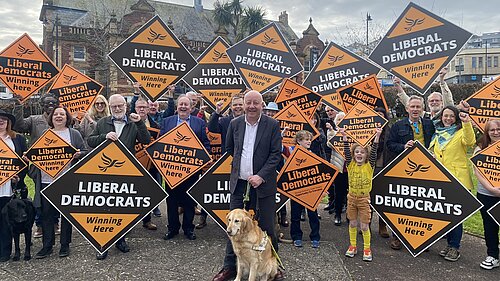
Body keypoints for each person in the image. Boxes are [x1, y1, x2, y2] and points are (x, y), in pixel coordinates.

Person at [212, 90, 283, 281]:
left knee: (268, 227)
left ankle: (274, 267)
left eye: (256, 103)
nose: (252, 106)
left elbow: (276, 154)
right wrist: (240, 167)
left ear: (262, 105)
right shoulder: (235, 124)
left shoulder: (272, 125)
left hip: (263, 185)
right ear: (243, 104)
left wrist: (260, 175)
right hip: (240, 185)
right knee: (232, 228)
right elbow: (229, 149)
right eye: (248, 103)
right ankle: (229, 268)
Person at [87, 94, 151, 260]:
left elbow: (146, 140)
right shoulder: (102, 123)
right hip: (105, 173)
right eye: (114, 106)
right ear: (110, 106)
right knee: (104, 209)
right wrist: (104, 137)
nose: (117, 109)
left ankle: (120, 240)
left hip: (126, 172)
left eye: (120, 106)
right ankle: (102, 244)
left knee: (121, 209)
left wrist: (140, 123)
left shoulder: (133, 123)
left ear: (126, 106)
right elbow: (90, 141)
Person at [30, 107, 86, 259]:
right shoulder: (44, 134)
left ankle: (64, 245)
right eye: (56, 114)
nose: (59, 116)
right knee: (46, 215)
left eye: (62, 114)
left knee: (66, 215)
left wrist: (79, 154)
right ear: (51, 118)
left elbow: (86, 152)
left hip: (66, 180)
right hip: (46, 180)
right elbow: (36, 152)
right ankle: (47, 245)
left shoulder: (74, 134)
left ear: (67, 117)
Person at [386, 95, 435, 250]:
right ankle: (397, 237)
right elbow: (389, 144)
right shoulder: (397, 125)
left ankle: (420, 238)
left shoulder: (429, 124)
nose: (415, 109)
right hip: (404, 169)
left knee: (422, 205)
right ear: (407, 108)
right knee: (402, 203)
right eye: (412, 107)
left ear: (422, 109)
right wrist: (403, 147)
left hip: (425, 170)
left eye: (418, 107)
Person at [430, 105, 475, 262]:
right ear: (441, 117)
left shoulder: (461, 131)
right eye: (445, 116)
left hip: (458, 180)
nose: (448, 118)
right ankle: (449, 245)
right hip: (440, 180)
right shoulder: (437, 133)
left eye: (451, 116)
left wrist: (467, 122)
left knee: (456, 216)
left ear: (456, 118)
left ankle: (455, 247)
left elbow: (470, 141)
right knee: (445, 215)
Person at [161, 95, 210, 241]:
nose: (183, 107)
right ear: (177, 107)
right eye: (181, 104)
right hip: (171, 170)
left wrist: (204, 159)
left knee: (189, 201)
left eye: (186, 105)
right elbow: (161, 143)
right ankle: (173, 228)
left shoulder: (199, 123)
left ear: (191, 108)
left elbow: (205, 144)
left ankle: (188, 228)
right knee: (172, 201)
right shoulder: (167, 122)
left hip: (192, 171)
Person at [12, 94, 60, 239]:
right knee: (40, 194)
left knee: (56, 194)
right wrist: (19, 105)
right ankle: (39, 225)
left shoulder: (60, 119)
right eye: (47, 103)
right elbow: (18, 125)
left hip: (57, 163)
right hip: (38, 166)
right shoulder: (34, 120)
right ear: (42, 105)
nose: (50, 105)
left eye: (53, 103)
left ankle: (55, 223)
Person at [341, 126, 381, 262]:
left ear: (366, 155)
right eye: (357, 152)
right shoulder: (350, 164)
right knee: (352, 223)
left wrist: (377, 136)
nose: (359, 154)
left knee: (364, 225)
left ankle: (367, 248)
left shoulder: (369, 166)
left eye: (362, 152)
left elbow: (374, 151)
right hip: (351, 198)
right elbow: (346, 151)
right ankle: (353, 246)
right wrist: (344, 136)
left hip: (364, 199)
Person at [0, 110, 28, 262]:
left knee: (6, 222)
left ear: (9, 122)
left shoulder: (17, 139)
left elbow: (24, 162)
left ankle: (5, 252)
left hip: (10, 187)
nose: (1, 121)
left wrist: (18, 176)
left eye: (4, 119)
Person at [473, 119, 500, 270]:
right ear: (487, 133)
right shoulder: (480, 149)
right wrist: (491, 189)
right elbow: (478, 173)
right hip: (486, 194)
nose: (496, 132)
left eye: (498, 129)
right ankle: (493, 256)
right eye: (492, 130)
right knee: (490, 227)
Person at [289, 130, 321, 248]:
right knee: (295, 214)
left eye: (310, 139)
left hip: (310, 189)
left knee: (313, 214)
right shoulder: (291, 151)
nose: (309, 141)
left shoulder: (312, 153)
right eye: (306, 139)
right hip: (295, 189)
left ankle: (315, 236)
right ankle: (296, 236)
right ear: (298, 141)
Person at [134, 97, 160, 231]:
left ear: (148, 109)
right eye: (139, 107)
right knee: (132, 194)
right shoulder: (128, 123)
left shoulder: (155, 125)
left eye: (144, 107)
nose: (142, 109)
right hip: (133, 165)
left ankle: (147, 220)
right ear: (135, 108)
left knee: (149, 193)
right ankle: (130, 222)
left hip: (151, 166)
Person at [326, 111, 348, 225]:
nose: (340, 121)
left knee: (350, 194)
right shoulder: (333, 133)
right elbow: (329, 145)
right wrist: (331, 132)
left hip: (350, 169)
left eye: (343, 119)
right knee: (339, 193)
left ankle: (349, 217)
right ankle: (338, 215)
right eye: (338, 119)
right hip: (339, 168)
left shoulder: (353, 134)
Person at [373, 107, 391, 238]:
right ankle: (366, 223)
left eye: (381, 115)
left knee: (383, 198)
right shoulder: (366, 131)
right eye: (376, 115)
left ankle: (382, 225)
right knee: (369, 197)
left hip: (385, 167)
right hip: (370, 168)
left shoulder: (390, 131)